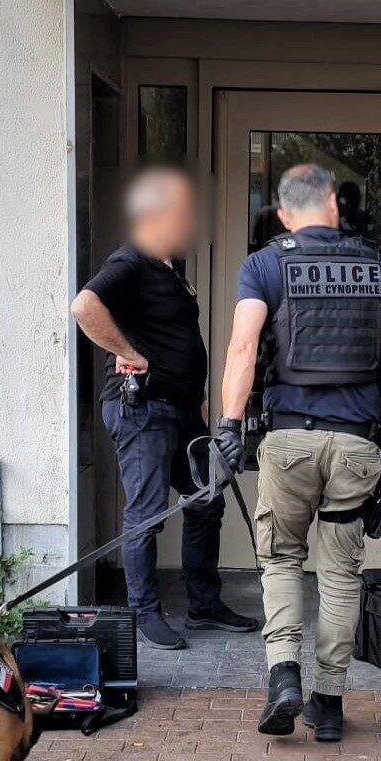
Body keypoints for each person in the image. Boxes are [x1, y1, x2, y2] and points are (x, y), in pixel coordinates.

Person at [216, 163, 381, 743]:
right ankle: (329, 702)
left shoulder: (264, 265)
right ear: (334, 204)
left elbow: (242, 347)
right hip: (357, 445)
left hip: (288, 444)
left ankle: (283, 674)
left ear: (284, 213)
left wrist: (229, 425)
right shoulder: (375, 264)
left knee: (282, 559)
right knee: (340, 573)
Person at [70, 167, 258, 649]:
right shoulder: (129, 261)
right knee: (148, 512)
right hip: (143, 411)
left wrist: (192, 390)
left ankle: (203, 605)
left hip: (178, 411)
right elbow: (84, 307)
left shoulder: (170, 268)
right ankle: (144, 613)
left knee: (206, 497)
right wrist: (129, 355)